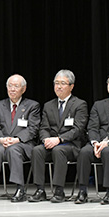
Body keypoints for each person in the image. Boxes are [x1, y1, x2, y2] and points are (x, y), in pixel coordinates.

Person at [28, 69, 88, 203]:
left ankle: (59, 190)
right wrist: (46, 139)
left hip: (71, 145)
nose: (59, 86)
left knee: (58, 149)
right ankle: (40, 189)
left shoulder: (79, 104)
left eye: (63, 83)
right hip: (52, 143)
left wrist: (59, 139)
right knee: (37, 150)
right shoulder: (49, 105)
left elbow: (78, 129)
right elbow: (43, 127)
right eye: (56, 83)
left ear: (71, 86)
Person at [0, 74, 40, 202]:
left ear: (23, 89)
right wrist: (2, 139)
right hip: (3, 143)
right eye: (10, 86)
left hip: (23, 145)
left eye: (16, 86)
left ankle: (20, 188)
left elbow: (33, 129)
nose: (12, 89)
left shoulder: (32, 106)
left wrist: (17, 139)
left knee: (13, 150)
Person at [75, 71, 109, 205]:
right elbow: (92, 127)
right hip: (98, 143)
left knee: (108, 151)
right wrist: (95, 143)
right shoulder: (99, 105)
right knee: (84, 152)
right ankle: (82, 190)